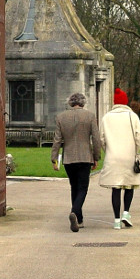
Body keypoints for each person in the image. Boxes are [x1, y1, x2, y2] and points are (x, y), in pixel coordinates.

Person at [51, 92, 101, 232]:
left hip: (69, 158)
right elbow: (96, 138)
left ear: (70, 103)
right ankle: (75, 211)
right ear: (83, 103)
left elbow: (57, 140)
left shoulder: (61, 117)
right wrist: (96, 157)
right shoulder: (90, 116)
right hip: (85, 157)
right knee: (83, 187)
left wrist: (54, 158)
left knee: (74, 186)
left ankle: (79, 219)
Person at [99, 87, 140, 230]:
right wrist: (135, 151)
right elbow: (139, 137)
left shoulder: (106, 117)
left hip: (113, 156)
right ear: (125, 102)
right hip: (128, 156)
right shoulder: (132, 116)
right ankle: (126, 212)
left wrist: (108, 150)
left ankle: (116, 220)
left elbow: (102, 139)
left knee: (116, 188)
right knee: (129, 185)